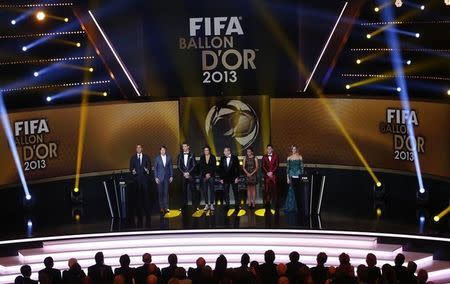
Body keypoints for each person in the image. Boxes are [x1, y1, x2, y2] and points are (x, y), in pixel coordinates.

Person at [129, 144, 151, 216]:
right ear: (136, 149)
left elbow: (149, 167)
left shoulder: (146, 157)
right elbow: (131, 168)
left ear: (142, 149)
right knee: (138, 195)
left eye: (139, 147)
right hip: (136, 179)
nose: (138, 149)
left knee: (146, 195)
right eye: (137, 147)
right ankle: (139, 210)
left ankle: (147, 209)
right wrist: (133, 171)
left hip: (144, 179)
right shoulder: (133, 158)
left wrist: (147, 169)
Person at [286, 145, 307, 217]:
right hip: (291, 175)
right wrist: (287, 178)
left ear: (297, 149)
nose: (294, 150)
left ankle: (298, 207)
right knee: (291, 190)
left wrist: (302, 177)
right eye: (293, 149)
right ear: (291, 150)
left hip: (298, 174)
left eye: (295, 149)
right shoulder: (289, 158)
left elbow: (302, 168)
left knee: (298, 191)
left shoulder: (300, 157)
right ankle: (291, 207)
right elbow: (287, 169)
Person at [218, 147, 241, 212]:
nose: (224, 152)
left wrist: (237, 177)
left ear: (229, 151)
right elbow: (220, 169)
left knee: (235, 192)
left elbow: (238, 168)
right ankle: (227, 205)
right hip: (225, 178)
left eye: (225, 151)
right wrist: (221, 178)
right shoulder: (222, 158)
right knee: (226, 192)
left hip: (234, 178)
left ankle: (237, 205)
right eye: (224, 151)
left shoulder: (235, 157)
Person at [177, 143, 197, 210]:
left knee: (193, 190)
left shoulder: (192, 154)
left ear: (188, 147)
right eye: (183, 146)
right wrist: (184, 173)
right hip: (183, 176)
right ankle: (183, 205)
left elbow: (194, 165)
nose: (183, 148)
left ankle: (195, 206)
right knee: (183, 191)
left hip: (190, 175)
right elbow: (179, 166)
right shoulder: (180, 155)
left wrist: (188, 173)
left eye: (185, 146)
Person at [154, 146, 174, 213]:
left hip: (167, 178)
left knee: (166, 193)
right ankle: (161, 207)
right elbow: (155, 169)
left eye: (164, 150)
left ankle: (167, 207)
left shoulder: (169, 157)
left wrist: (171, 176)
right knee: (160, 193)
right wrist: (156, 177)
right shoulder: (157, 158)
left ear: (166, 150)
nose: (163, 151)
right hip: (159, 178)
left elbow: (171, 167)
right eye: (161, 150)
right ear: (160, 151)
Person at [198, 146, 217, 211]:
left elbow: (214, 167)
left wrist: (209, 174)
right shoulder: (202, 157)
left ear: (209, 151)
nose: (206, 151)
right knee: (205, 190)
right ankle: (206, 204)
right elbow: (201, 167)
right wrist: (205, 174)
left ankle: (211, 204)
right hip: (204, 176)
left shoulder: (213, 157)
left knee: (212, 190)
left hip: (211, 176)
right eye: (205, 150)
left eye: (207, 150)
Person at [262, 144, 279, 211]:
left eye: (270, 149)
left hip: (274, 176)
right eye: (268, 149)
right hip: (267, 176)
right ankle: (267, 204)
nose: (269, 150)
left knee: (275, 190)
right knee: (267, 190)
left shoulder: (276, 156)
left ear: (272, 149)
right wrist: (267, 173)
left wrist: (272, 172)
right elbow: (263, 166)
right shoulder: (264, 156)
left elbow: (277, 165)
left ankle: (275, 204)